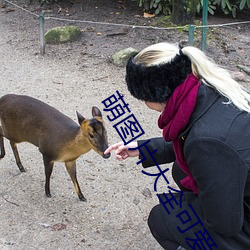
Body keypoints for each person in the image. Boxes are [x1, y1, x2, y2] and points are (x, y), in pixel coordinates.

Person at [104, 42, 250, 250]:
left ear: (155, 93)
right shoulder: (209, 87)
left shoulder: (207, 142)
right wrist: (143, 149)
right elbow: (193, 138)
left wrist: (190, 207)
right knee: (181, 170)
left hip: (241, 222)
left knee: (162, 218)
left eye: (143, 97)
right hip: (240, 184)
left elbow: (224, 224)